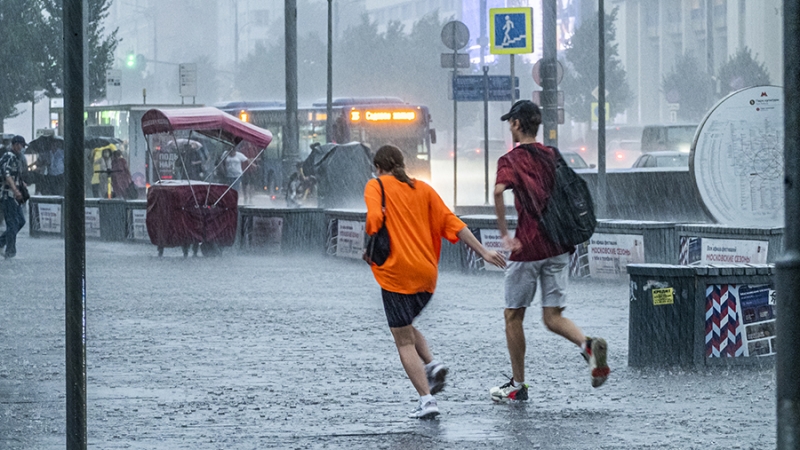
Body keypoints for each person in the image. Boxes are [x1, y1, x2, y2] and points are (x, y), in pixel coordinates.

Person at [364, 145, 506, 419]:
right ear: (402, 164)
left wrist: (373, 234)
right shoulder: (424, 190)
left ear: (379, 168)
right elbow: (453, 223)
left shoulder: (376, 185)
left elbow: (373, 220)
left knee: (402, 340)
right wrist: (484, 251)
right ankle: (431, 363)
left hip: (396, 273)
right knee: (404, 326)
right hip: (426, 275)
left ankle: (426, 399)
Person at [489, 100, 609, 402]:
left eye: (510, 123)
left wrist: (505, 234)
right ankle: (587, 345)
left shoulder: (511, 160)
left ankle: (517, 385)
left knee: (513, 316)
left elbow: (498, 191)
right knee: (552, 315)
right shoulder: (552, 155)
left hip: (528, 245)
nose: (509, 127)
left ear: (517, 124)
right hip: (558, 243)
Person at [0, 136, 28, 258]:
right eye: (20, 145)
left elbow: (14, 176)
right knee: (12, 223)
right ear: (15, 144)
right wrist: (15, 190)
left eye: (22, 146)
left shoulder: (16, 158)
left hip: (14, 196)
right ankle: (10, 252)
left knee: (20, 221)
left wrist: (21, 184)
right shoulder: (8, 156)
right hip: (7, 195)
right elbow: (7, 175)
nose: (21, 148)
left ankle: (1, 242)